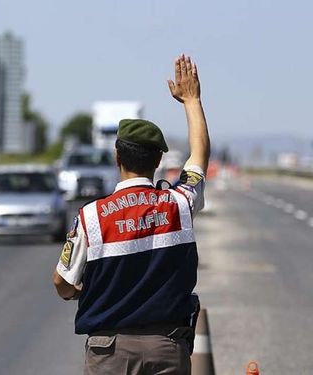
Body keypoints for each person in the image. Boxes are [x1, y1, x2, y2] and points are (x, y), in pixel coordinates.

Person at [52, 54, 210, 375]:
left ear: (117, 156)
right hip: (168, 348)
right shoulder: (179, 204)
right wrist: (191, 100)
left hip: (108, 353)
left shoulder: (91, 217)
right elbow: (199, 156)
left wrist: (82, 292)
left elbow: (62, 282)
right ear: (158, 162)